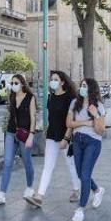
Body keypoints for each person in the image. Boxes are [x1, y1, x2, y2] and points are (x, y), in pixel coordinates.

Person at [26, 70, 80, 207]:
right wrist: (46, 130)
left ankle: (76, 190)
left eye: (56, 79)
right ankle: (39, 196)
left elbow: (72, 119)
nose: (52, 81)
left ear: (62, 82)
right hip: (51, 135)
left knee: (71, 164)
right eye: (52, 79)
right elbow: (51, 117)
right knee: (48, 166)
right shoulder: (51, 96)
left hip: (65, 136)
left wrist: (66, 138)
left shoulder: (71, 98)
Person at [0, 74, 36, 205]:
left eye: (16, 83)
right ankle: (2, 194)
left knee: (27, 162)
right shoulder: (12, 96)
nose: (13, 85)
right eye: (12, 83)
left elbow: (33, 118)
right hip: (11, 132)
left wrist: (31, 135)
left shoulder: (30, 97)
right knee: (8, 162)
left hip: (25, 134)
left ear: (22, 83)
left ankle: (30, 188)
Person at [66, 77, 106, 221]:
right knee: (80, 173)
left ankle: (80, 209)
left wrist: (95, 115)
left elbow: (101, 131)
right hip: (77, 141)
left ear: (91, 89)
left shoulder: (99, 106)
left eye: (85, 86)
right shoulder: (74, 104)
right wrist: (85, 122)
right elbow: (68, 123)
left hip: (93, 142)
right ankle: (97, 190)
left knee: (84, 174)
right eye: (81, 85)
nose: (82, 88)